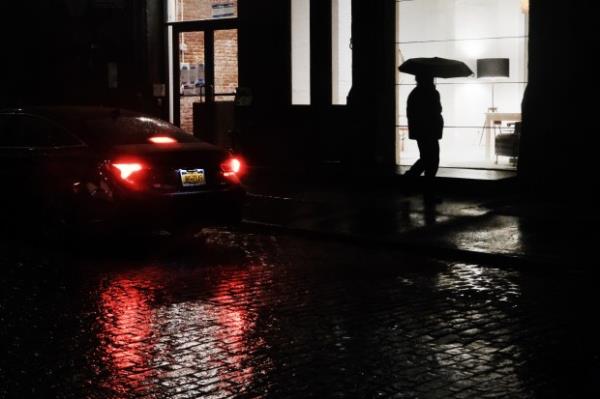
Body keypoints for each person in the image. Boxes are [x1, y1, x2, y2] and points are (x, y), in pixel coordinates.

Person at [404, 73, 443, 200]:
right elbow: (437, 109)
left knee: (427, 159)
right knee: (431, 159)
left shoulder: (415, 93)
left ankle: (412, 181)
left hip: (422, 131)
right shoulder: (430, 93)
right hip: (429, 131)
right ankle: (423, 187)